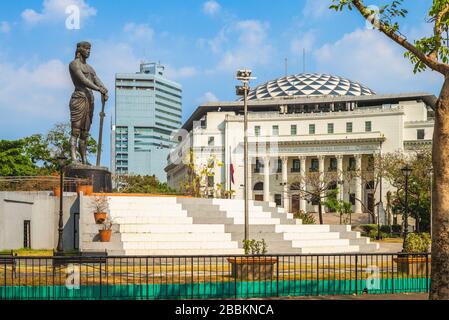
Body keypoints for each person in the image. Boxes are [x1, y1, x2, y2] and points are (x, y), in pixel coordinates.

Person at [68, 41, 108, 165]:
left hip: (90, 100)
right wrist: (98, 89)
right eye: (86, 48)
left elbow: (96, 80)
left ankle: (84, 159)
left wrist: (104, 89)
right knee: (76, 130)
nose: (88, 51)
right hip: (79, 97)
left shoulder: (90, 68)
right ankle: (74, 158)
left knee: (85, 133)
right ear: (80, 50)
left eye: (90, 49)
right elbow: (83, 80)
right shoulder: (74, 64)